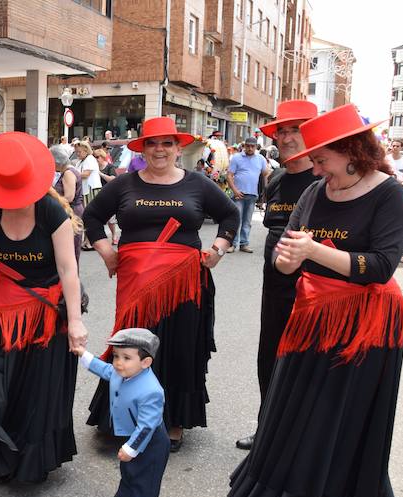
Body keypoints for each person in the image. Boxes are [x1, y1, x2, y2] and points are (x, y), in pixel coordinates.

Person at [227, 104, 403, 497]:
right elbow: (287, 252)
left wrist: (314, 252)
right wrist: (287, 260)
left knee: (341, 420)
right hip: (312, 317)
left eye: (322, 156)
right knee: (297, 411)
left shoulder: (389, 195)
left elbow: (383, 266)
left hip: (365, 326)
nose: (315, 164)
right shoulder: (313, 191)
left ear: (352, 151)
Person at [83, 117, 238, 452]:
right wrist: (107, 252)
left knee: (179, 347)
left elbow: (230, 215)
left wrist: (218, 249)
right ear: (142, 148)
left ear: (178, 148)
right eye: (152, 143)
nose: (159, 149)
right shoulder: (124, 185)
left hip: (184, 285)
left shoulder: (197, 184)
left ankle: (173, 420)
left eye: (167, 143)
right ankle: (125, 417)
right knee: (132, 348)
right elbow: (92, 216)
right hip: (136, 283)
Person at [0, 132, 86, 483]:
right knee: (2, 383)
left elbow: (68, 270)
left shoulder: (51, 212)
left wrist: (75, 321)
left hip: (48, 313)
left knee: (40, 388)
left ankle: (32, 460)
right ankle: (1, 452)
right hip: (7, 310)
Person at [236, 100, 319, 451]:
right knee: (269, 357)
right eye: (281, 131)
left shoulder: (324, 177)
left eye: (294, 129)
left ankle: (300, 437)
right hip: (274, 288)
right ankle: (267, 427)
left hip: (312, 290)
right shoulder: (278, 178)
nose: (285, 138)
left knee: (305, 363)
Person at [75, 328, 168, 497]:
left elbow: (147, 426)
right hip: (131, 435)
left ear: (145, 362)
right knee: (129, 470)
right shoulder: (120, 373)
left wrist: (131, 448)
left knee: (146, 480)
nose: (118, 362)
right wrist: (84, 355)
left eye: (126, 357)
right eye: (116, 356)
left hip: (151, 442)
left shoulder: (151, 391)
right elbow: (104, 369)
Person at [226, 137, 271, 253]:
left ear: (256, 147)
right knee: (237, 220)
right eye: (248, 146)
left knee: (247, 222)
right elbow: (229, 175)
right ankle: (232, 244)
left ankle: (244, 244)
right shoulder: (236, 158)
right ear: (244, 146)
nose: (250, 148)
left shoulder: (260, 159)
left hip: (252, 195)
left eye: (252, 146)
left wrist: (266, 191)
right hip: (238, 195)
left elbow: (266, 174)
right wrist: (235, 190)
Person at [50, 145, 85, 260]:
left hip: (71, 213)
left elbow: (69, 197)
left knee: (71, 250)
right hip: (73, 211)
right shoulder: (70, 170)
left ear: (57, 162)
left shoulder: (68, 173)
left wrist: (52, 197)